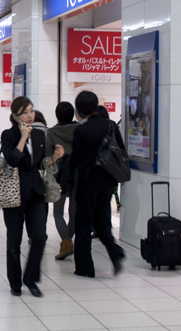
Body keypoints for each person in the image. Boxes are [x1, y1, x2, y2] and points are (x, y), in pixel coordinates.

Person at [1, 96, 64, 298]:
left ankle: (30, 277)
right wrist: (22, 138)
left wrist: (53, 158)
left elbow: (39, 164)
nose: (30, 115)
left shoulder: (39, 135)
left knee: (39, 236)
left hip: (36, 193)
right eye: (25, 112)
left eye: (31, 110)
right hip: (13, 194)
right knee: (14, 242)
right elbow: (11, 161)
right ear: (15, 116)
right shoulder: (8, 135)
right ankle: (15, 281)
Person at [70, 91, 125, 278]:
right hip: (108, 181)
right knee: (102, 221)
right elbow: (121, 150)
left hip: (87, 182)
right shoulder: (110, 125)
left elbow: (75, 159)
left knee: (83, 225)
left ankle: (85, 267)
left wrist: (68, 182)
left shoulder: (81, 130)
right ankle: (115, 252)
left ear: (80, 109)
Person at [46, 101, 79, 261]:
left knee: (58, 212)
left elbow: (47, 154)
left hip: (59, 175)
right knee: (73, 213)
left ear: (57, 115)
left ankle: (66, 243)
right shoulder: (79, 129)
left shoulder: (52, 132)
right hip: (77, 175)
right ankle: (68, 242)